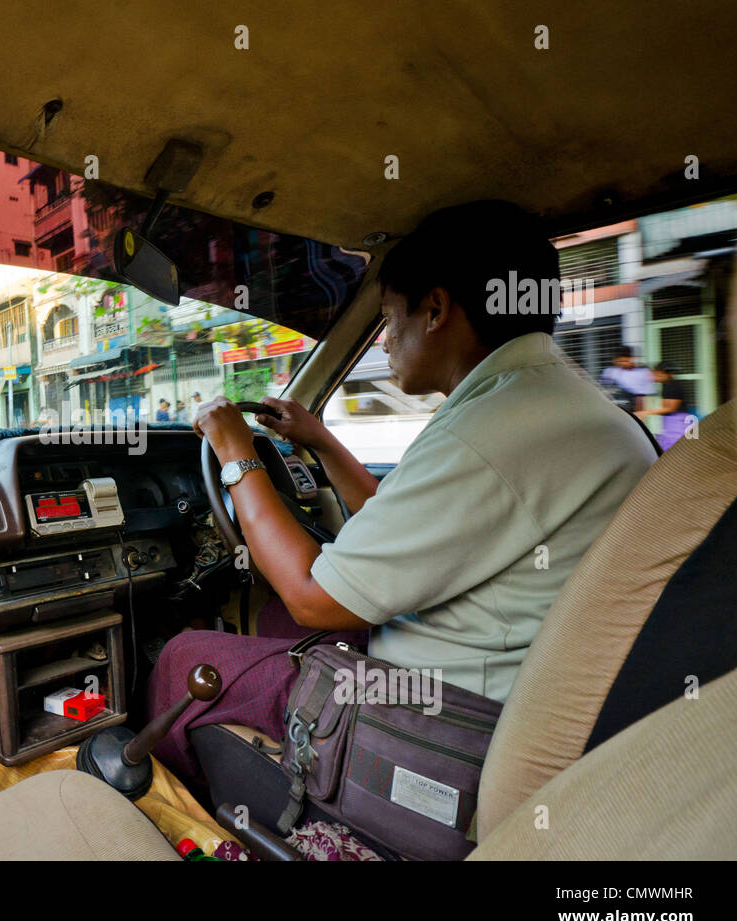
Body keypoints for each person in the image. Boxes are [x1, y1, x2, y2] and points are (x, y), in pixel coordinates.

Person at [148, 200, 658, 781]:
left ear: (436, 309)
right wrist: (324, 442)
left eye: (390, 320)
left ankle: (187, 823)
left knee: (184, 656)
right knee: (269, 626)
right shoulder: (550, 404)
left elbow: (312, 596)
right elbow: (401, 524)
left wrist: (236, 453)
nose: (385, 342)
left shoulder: (484, 434)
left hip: (456, 729)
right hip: (530, 700)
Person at [636, 362, 691, 451]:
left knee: (675, 448)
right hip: (670, 421)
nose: (654, 377)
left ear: (666, 374)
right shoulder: (666, 385)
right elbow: (665, 408)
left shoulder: (674, 386)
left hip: (678, 421)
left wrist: (646, 412)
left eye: (657, 374)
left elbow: (671, 408)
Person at [599, 346, 655, 412]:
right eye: (619, 361)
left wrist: (639, 415)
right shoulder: (609, 372)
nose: (622, 363)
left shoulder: (642, 372)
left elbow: (643, 399)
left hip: (632, 411)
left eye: (625, 361)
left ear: (632, 358)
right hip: (612, 410)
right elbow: (604, 391)